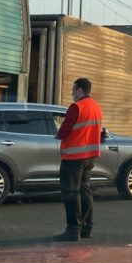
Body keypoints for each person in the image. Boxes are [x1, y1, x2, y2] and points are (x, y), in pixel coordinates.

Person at [55, 78, 104, 241]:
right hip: (89, 157)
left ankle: (73, 229)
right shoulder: (96, 107)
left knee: (71, 193)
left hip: (73, 158)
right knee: (85, 192)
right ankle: (87, 228)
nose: (72, 93)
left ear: (80, 91)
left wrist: (58, 133)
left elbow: (64, 131)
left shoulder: (76, 107)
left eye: (73, 90)